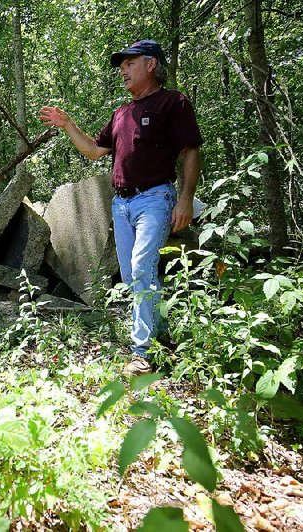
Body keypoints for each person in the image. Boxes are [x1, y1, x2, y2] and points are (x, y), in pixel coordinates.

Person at [40, 39, 203, 373]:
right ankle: (163, 336)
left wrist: (185, 199)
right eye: (121, 66)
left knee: (142, 267)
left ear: (151, 64)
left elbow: (190, 151)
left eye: (129, 64)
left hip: (155, 198)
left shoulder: (173, 102)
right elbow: (94, 151)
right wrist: (68, 124)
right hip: (121, 203)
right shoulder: (121, 113)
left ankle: (141, 352)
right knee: (131, 277)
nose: (123, 71)